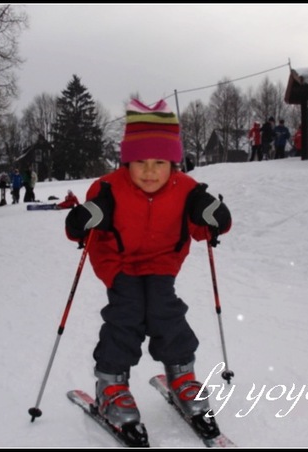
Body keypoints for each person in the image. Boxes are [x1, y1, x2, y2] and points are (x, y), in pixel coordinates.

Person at [64, 99, 232, 438]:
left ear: (174, 162)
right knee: (127, 311)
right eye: (140, 161)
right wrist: (83, 219)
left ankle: (181, 374)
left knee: (164, 310)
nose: (150, 171)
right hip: (118, 263)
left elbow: (203, 229)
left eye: (160, 162)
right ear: (126, 160)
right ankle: (110, 384)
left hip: (162, 263)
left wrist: (213, 217)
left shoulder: (187, 190)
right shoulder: (109, 189)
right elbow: (80, 229)